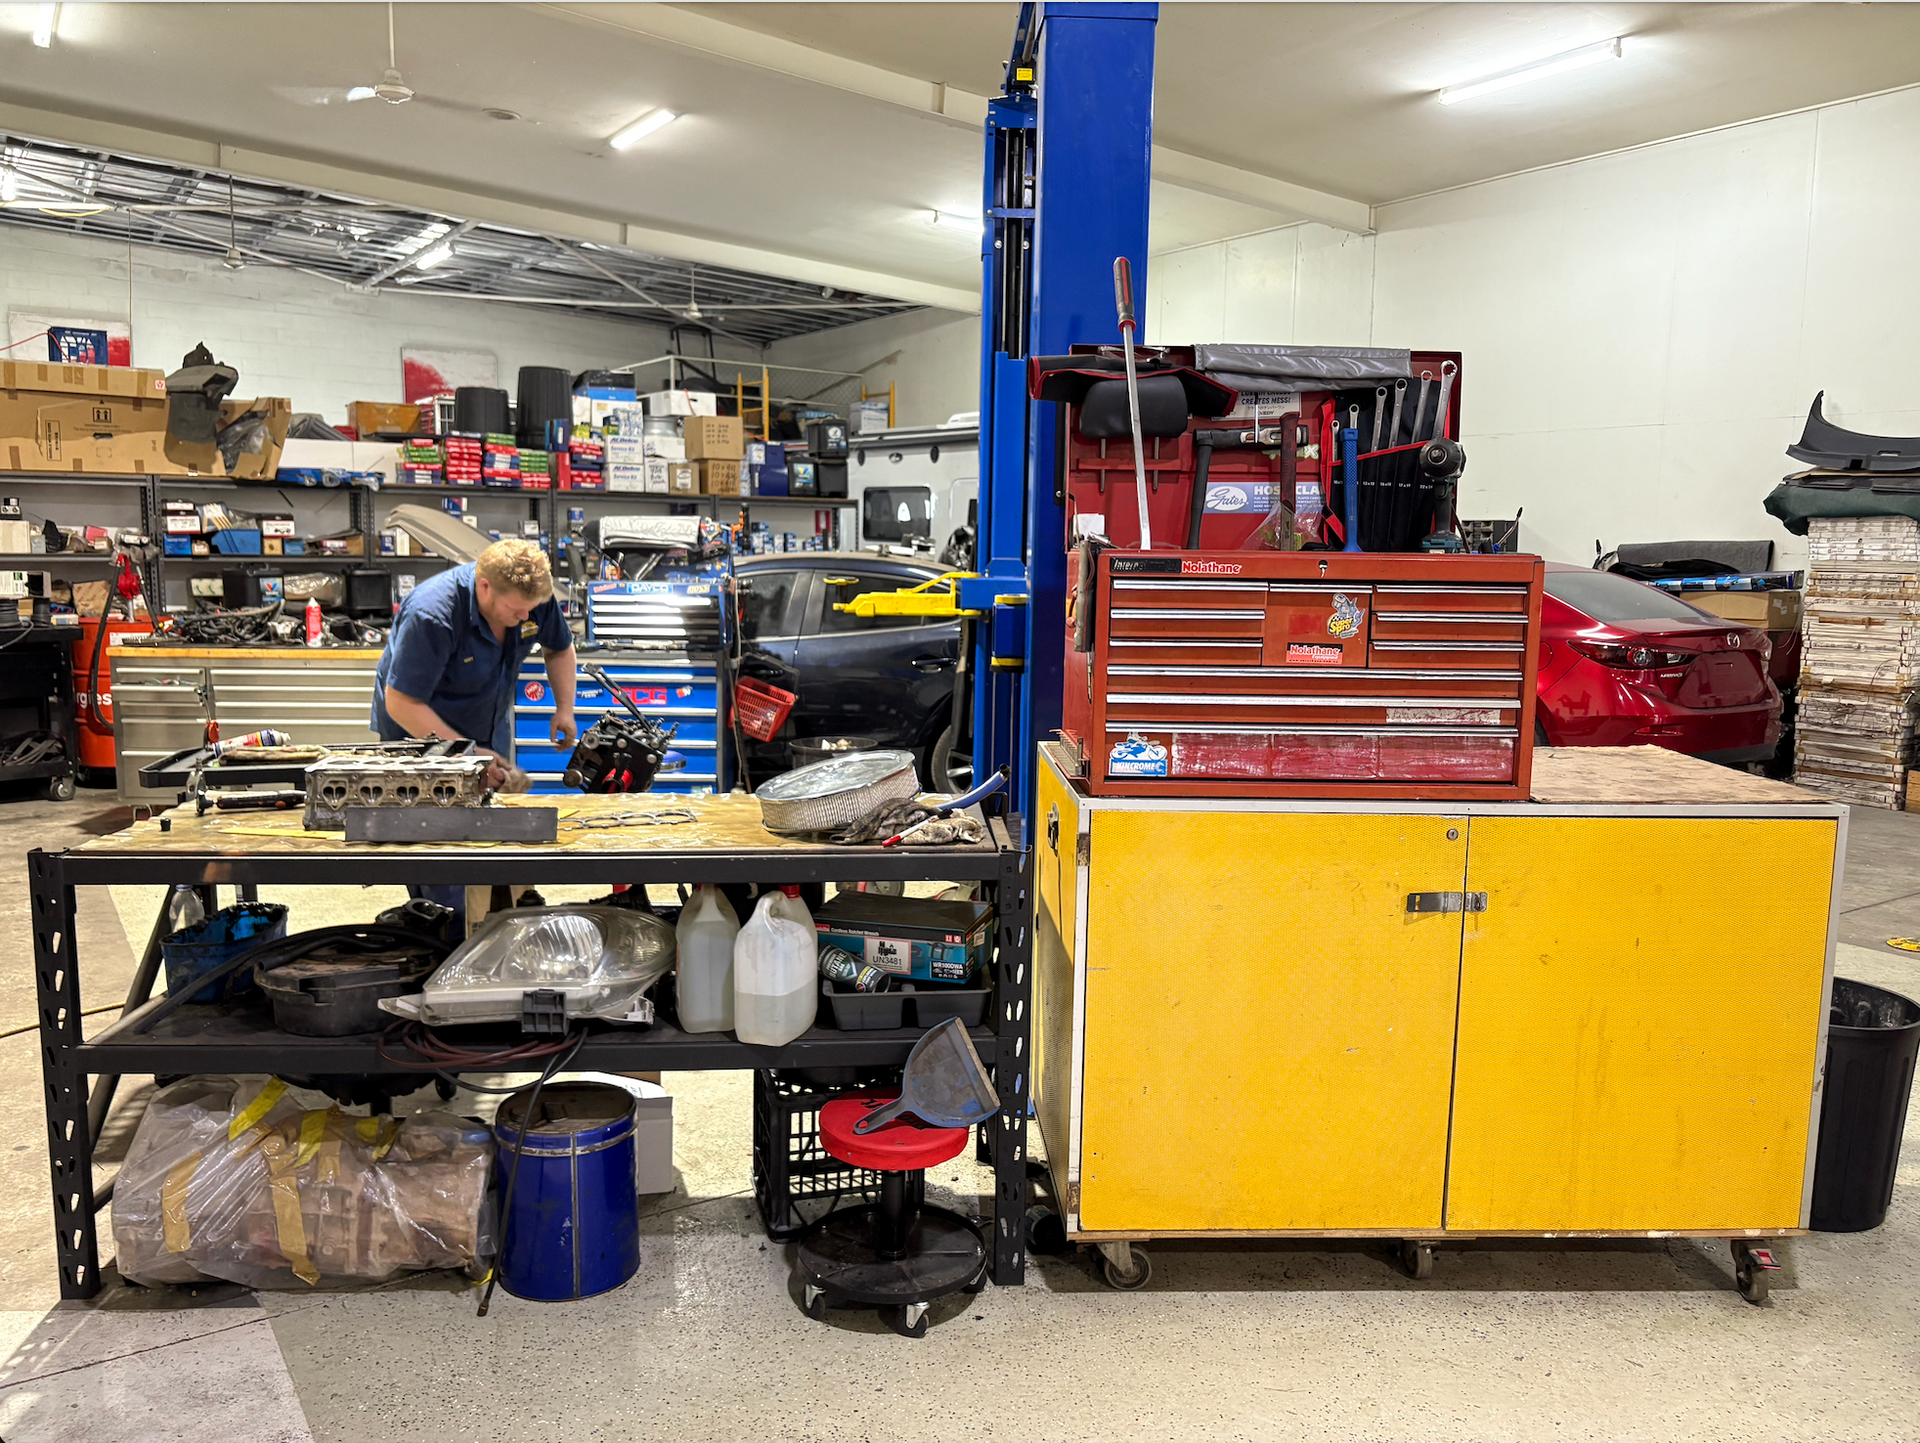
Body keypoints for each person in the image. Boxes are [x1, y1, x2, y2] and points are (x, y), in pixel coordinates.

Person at [371, 538, 578, 780]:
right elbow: (401, 703)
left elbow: (560, 649)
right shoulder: (432, 614)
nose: (525, 616)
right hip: (418, 737)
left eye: (530, 609)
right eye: (515, 609)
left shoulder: (532, 599)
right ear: (485, 587)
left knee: (488, 810)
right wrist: (466, 755)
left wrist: (565, 709)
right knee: (424, 814)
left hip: (485, 728)